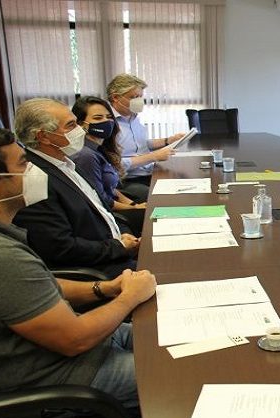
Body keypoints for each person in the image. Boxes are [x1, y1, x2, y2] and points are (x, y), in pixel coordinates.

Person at [0, 127, 156, 411]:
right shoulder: (1, 256)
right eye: (23, 163)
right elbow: (74, 340)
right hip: (62, 373)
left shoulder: (5, 238)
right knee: (189, 372)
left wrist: (104, 288)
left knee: (185, 338)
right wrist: (129, 297)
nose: (33, 170)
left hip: (83, 344)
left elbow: (38, 285)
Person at [12, 98, 139, 278]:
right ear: (43, 136)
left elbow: (102, 211)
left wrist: (125, 236)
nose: (81, 130)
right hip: (100, 269)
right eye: (71, 125)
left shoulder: (66, 162)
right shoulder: (35, 179)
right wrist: (118, 247)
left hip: (116, 250)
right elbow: (60, 247)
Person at [71, 96, 146, 236]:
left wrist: (133, 205)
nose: (106, 121)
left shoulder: (100, 148)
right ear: (81, 124)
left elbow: (111, 188)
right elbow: (101, 200)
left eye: (109, 117)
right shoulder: (86, 156)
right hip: (106, 215)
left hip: (114, 205)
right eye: (98, 118)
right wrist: (134, 209)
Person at [106, 73, 184, 202]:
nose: (139, 101)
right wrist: (154, 156)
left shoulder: (133, 117)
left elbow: (140, 144)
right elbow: (113, 164)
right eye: (134, 97)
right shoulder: (107, 122)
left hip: (146, 172)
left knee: (181, 182)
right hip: (126, 180)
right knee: (163, 198)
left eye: (140, 97)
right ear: (115, 97)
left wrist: (168, 140)